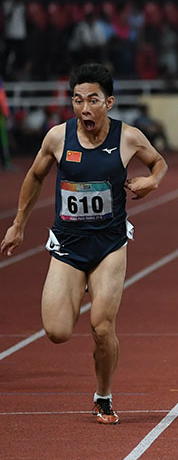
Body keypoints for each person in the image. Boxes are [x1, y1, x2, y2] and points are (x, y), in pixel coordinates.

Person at [0, 63, 168, 424]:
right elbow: (34, 176)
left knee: (102, 326)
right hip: (68, 244)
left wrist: (151, 182)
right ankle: (76, 289)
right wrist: (18, 225)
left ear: (108, 102)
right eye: (77, 100)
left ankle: (103, 396)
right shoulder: (58, 138)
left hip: (110, 244)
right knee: (57, 331)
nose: (84, 109)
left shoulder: (129, 137)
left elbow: (159, 163)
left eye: (92, 100)